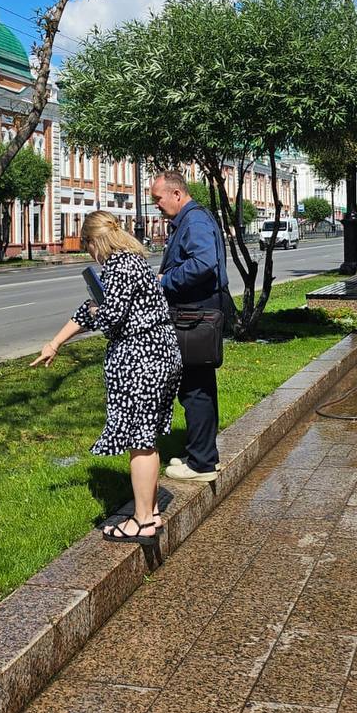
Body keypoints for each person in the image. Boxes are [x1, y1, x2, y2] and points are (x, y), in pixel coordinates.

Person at [31, 211, 182, 544]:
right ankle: (151, 511)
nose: (89, 253)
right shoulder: (133, 261)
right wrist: (56, 342)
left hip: (142, 360)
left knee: (139, 440)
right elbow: (92, 308)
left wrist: (100, 310)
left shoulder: (119, 266)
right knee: (148, 436)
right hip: (160, 355)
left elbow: (111, 318)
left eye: (87, 246)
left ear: (93, 241)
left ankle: (142, 521)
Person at [151, 170, 229, 482]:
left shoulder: (194, 220)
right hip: (195, 315)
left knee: (195, 388)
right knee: (200, 386)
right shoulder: (193, 218)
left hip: (195, 316)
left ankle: (201, 464)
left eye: (158, 198)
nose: (156, 204)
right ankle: (205, 455)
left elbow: (202, 263)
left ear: (177, 194)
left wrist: (165, 281)